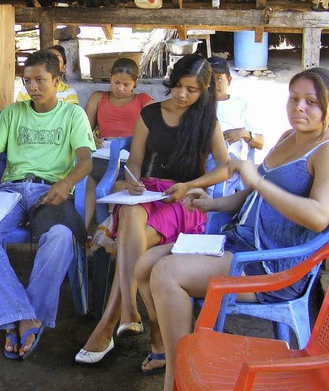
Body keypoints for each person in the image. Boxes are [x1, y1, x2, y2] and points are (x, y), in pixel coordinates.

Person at [134, 67, 329, 390]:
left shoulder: (324, 152)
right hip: (237, 244)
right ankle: (174, 351)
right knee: (144, 266)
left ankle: (174, 380)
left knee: (167, 273)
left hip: (269, 265)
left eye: (311, 102)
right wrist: (213, 204)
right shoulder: (287, 137)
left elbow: (320, 217)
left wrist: (256, 182)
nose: (299, 108)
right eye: (294, 99)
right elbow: (252, 194)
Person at [75, 54, 230, 364]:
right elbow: (135, 161)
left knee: (132, 241)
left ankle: (112, 325)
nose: (183, 95)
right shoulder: (149, 114)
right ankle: (133, 315)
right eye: (178, 87)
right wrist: (133, 180)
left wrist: (190, 185)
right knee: (132, 213)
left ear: (204, 91)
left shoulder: (207, 121)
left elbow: (226, 168)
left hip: (183, 199)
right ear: (171, 83)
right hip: (146, 195)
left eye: (192, 90)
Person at [0, 50, 94, 360]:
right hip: (10, 191)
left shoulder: (72, 115)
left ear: (57, 81)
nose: (33, 87)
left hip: (49, 191)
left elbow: (86, 160)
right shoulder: (13, 112)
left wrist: (65, 185)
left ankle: (21, 317)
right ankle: (23, 314)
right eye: (27, 81)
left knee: (62, 237)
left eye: (40, 80)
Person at [83, 58, 154, 228]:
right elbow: (83, 129)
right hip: (102, 155)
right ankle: (81, 233)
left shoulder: (143, 100)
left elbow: (156, 128)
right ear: (110, 77)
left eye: (126, 84)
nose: (120, 88)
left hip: (129, 158)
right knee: (88, 183)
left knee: (119, 186)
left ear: (135, 83)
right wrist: (91, 138)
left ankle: (109, 231)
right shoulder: (98, 98)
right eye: (116, 82)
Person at [207, 56, 265, 194]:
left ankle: (213, 200)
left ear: (229, 80)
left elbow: (261, 142)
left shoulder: (240, 104)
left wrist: (244, 133)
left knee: (225, 163)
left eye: (219, 78)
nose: (214, 83)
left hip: (228, 159)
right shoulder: (196, 104)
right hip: (201, 157)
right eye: (209, 79)